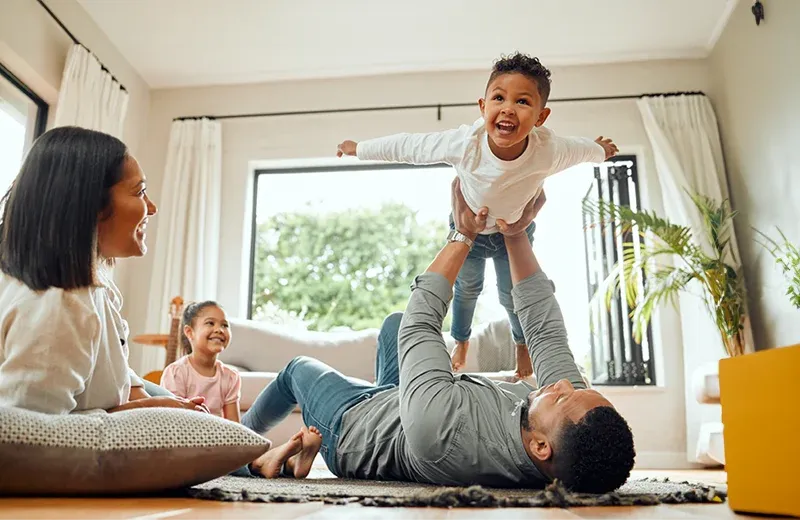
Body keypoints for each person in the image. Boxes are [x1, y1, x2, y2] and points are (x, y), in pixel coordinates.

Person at [241, 178, 636, 493]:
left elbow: (422, 322)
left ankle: (243, 452)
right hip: (402, 406)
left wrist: (463, 235)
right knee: (392, 323)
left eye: (563, 394)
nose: (562, 383)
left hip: (353, 429)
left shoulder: (445, 436)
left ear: (539, 447)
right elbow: (546, 331)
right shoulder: (557, 433)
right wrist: (516, 235)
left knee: (297, 370)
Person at [0, 126, 311, 480]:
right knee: (203, 424)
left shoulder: (93, 285)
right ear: (89, 205)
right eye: (140, 192)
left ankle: (258, 458)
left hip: (126, 393)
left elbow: (113, 370)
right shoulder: (56, 307)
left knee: (197, 415)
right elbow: (29, 436)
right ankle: (257, 460)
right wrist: (143, 411)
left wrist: (147, 400)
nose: (152, 207)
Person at [337, 52, 618, 379]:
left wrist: (601, 151)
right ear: (483, 107)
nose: (508, 108)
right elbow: (409, 147)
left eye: (523, 102)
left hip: (513, 231)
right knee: (467, 288)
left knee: (511, 294)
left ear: (541, 117)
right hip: (467, 228)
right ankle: (461, 339)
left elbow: (582, 150)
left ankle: (522, 345)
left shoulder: (549, 150)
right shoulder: (464, 144)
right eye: (499, 97)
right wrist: (359, 148)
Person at [160, 299, 324, 478]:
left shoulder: (230, 376)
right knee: (234, 469)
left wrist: (238, 448)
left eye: (225, 325)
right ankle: (278, 462)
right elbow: (174, 423)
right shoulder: (176, 372)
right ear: (189, 332)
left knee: (237, 456)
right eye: (210, 323)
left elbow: (235, 427)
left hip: (222, 440)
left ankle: (281, 462)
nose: (219, 329)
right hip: (190, 443)